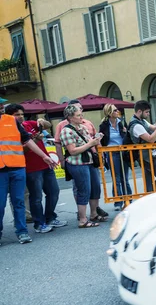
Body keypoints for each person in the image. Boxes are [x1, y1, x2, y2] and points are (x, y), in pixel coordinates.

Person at [1, 104, 57, 244]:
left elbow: (27, 140)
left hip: (17, 167)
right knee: (0, 204)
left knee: (19, 202)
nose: (1, 107)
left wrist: (44, 155)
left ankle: (22, 232)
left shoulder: (11, 121)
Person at [54, 99, 108, 219]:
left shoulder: (83, 127)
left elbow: (90, 141)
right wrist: (62, 161)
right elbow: (72, 151)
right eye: (78, 115)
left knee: (95, 188)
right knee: (83, 190)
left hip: (90, 161)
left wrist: (97, 140)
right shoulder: (65, 131)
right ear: (70, 117)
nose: (81, 117)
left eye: (81, 114)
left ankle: (94, 214)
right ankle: (82, 219)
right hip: (78, 163)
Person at [21, 115, 67, 233]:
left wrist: (42, 121)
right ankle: (39, 223)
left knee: (54, 192)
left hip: (46, 164)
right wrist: (35, 140)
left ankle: (50, 218)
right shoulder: (14, 130)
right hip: (31, 168)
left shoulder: (28, 124)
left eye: (21, 114)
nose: (20, 116)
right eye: (17, 114)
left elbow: (48, 125)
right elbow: (21, 150)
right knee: (36, 197)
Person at [129, 100, 156, 192]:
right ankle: (150, 195)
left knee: (149, 179)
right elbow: (150, 138)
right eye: (146, 112)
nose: (148, 114)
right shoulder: (136, 125)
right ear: (139, 111)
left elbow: (153, 128)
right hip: (144, 156)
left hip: (148, 155)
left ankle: (149, 195)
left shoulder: (142, 120)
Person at [99, 104, 131, 211]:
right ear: (109, 113)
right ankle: (118, 202)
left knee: (124, 177)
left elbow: (126, 136)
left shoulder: (121, 123)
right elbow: (102, 140)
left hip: (123, 151)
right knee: (116, 177)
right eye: (115, 110)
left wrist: (126, 132)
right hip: (111, 152)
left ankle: (128, 199)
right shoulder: (104, 125)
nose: (118, 111)